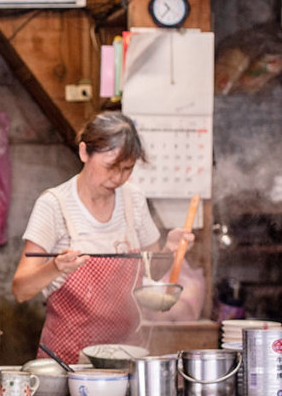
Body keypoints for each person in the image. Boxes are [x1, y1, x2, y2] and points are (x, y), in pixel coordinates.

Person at [11, 112, 194, 364]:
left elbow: (152, 270)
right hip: (68, 358)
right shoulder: (54, 205)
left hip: (127, 354)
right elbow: (21, 289)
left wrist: (171, 250)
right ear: (84, 152)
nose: (117, 179)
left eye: (127, 169)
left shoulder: (134, 201)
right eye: (110, 167)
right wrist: (55, 267)